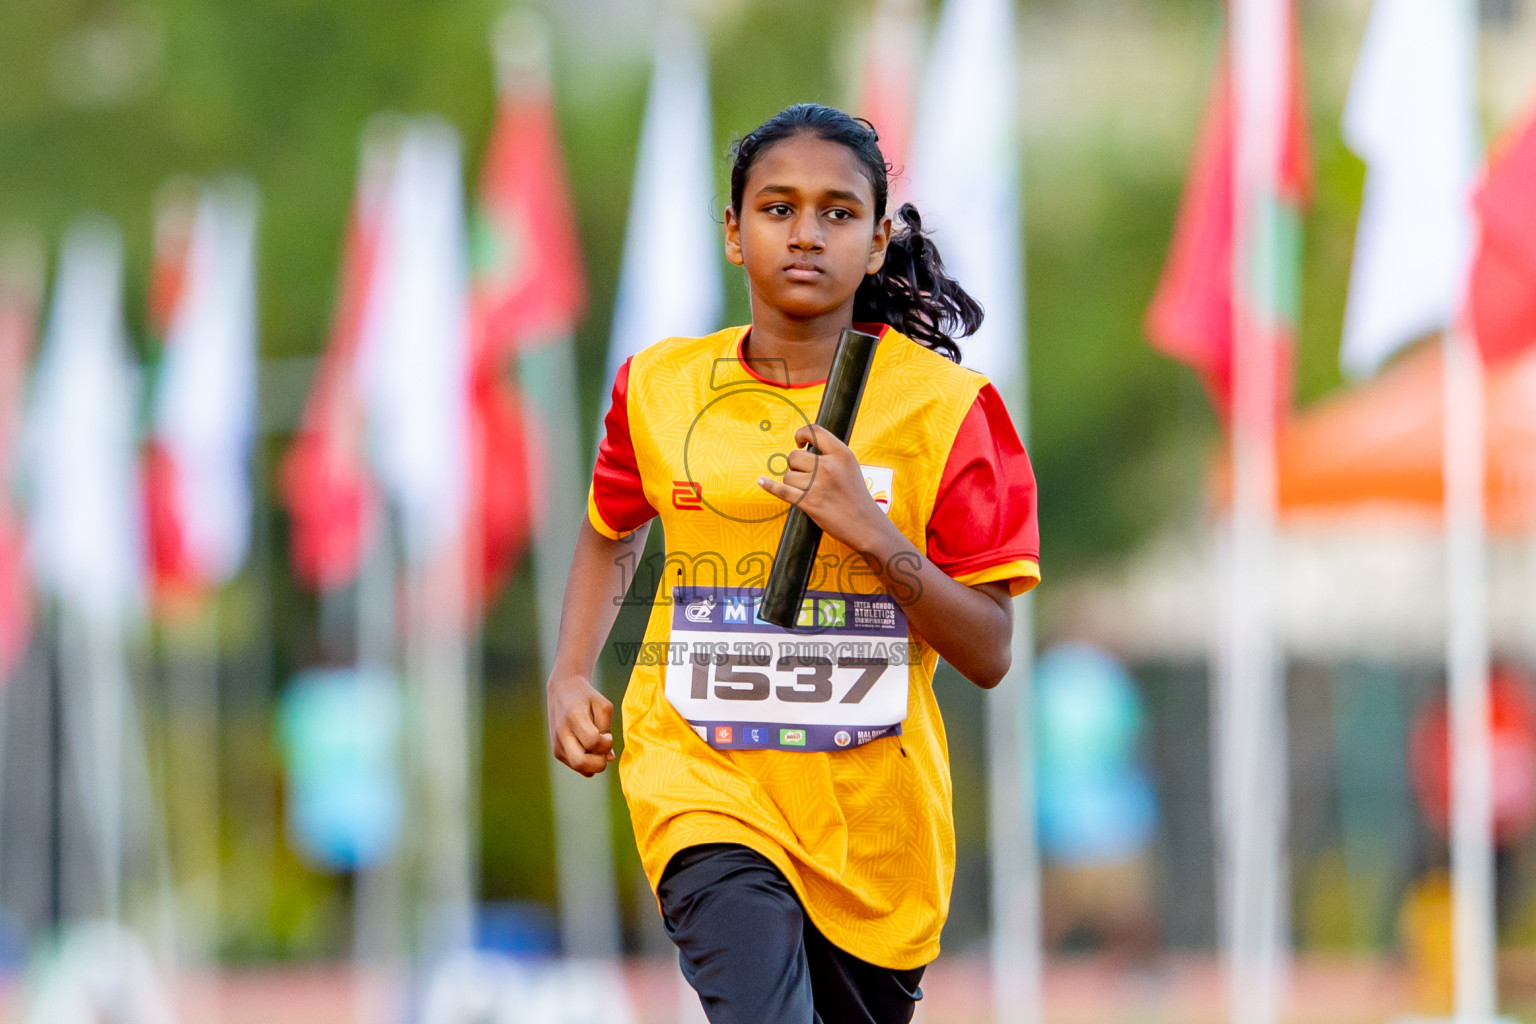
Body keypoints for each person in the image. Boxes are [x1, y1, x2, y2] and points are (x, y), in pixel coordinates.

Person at [545, 103, 1039, 1024]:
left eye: (838, 212)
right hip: (704, 781)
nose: (806, 234)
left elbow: (989, 650)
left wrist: (871, 533)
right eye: (777, 209)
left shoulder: (948, 411)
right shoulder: (658, 385)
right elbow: (613, 524)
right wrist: (571, 670)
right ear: (733, 234)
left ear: (879, 240)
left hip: (872, 829)